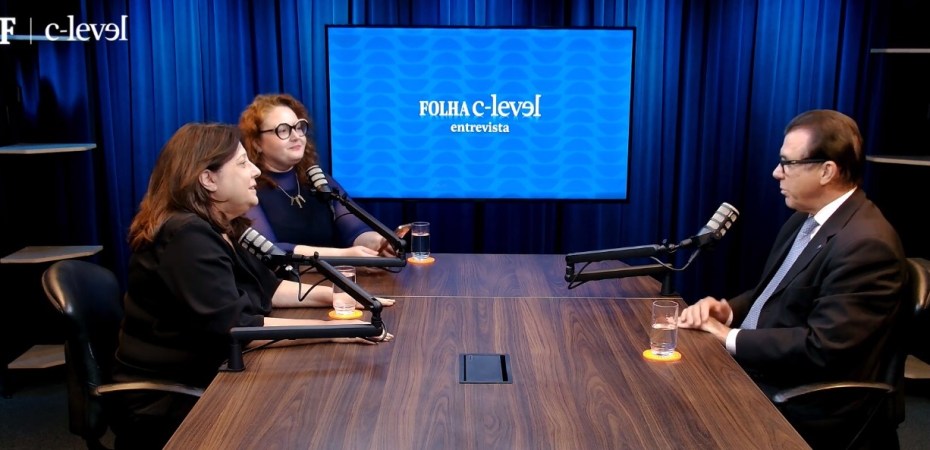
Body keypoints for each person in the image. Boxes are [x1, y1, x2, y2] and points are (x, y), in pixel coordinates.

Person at [112, 123, 393, 449]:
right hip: (168, 396)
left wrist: (343, 297)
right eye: (243, 163)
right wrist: (333, 330)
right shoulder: (185, 235)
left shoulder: (223, 226)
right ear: (208, 179)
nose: (256, 172)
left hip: (210, 371)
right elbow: (237, 327)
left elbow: (269, 287)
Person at [677, 109, 909, 448]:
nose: (777, 172)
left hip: (807, 403)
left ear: (827, 171)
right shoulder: (805, 219)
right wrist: (728, 311)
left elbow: (823, 348)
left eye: (788, 163)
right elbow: (775, 292)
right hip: (764, 370)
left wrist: (728, 336)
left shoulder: (867, 245)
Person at [239, 93, 394, 259]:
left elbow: (355, 230)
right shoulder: (248, 188)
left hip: (334, 275)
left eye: (299, 127)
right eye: (283, 130)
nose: (296, 136)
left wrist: (379, 242)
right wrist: (343, 255)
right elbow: (269, 249)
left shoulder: (317, 180)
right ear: (257, 143)